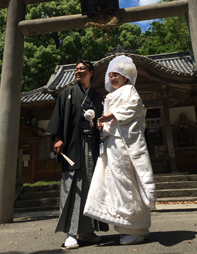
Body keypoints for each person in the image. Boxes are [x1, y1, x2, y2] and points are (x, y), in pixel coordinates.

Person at [84, 55, 156, 245]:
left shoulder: (129, 90)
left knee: (126, 181)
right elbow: (111, 119)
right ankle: (128, 225)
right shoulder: (110, 96)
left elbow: (136, 108)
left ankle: (137, 227)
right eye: (111, 75)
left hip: (124, 143)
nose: (113, 78)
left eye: (117, 75)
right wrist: (103, 124)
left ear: (126, 76)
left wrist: (112, 114)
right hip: (112, 144)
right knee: (115, 182)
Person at [46, 60, 108, 249]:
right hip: (74, 145)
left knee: (92, 186)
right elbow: (60, 116)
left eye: (82, 69)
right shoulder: (67, 93)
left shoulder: (97, 97)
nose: (78, 71)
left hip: (92, 145)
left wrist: (100, 125)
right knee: (73, 187)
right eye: (76, 69)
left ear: (91, 73)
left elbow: (101, 121)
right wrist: (57, 137)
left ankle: (87, 231)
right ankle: (71, 233)